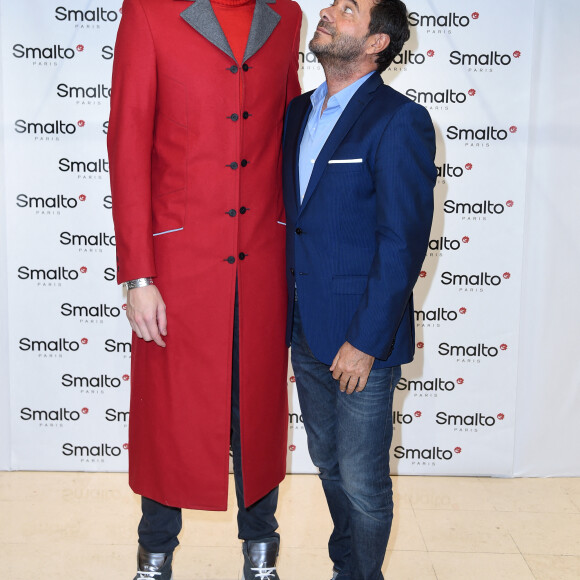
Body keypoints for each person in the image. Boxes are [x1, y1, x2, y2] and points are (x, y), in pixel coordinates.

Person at [107, 0, 302, 578]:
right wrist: (139, 275)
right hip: (176, 265)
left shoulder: (286, 15)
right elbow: (128, 142)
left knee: (258, 409)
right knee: (170, 414)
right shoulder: (149, 12)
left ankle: (261, 550)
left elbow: (289, 132)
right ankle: (155, 553)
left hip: (264, 259)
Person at [282, 1, 436, 578]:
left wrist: (366, 342)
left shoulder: (399, 120)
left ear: (376, 43)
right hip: (303, 326)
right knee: (327, 463)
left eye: (347, 10)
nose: (327, 11)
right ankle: (348, 564)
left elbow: (402, 242)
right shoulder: (296, 113)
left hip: (361, 342)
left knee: (365, 482)